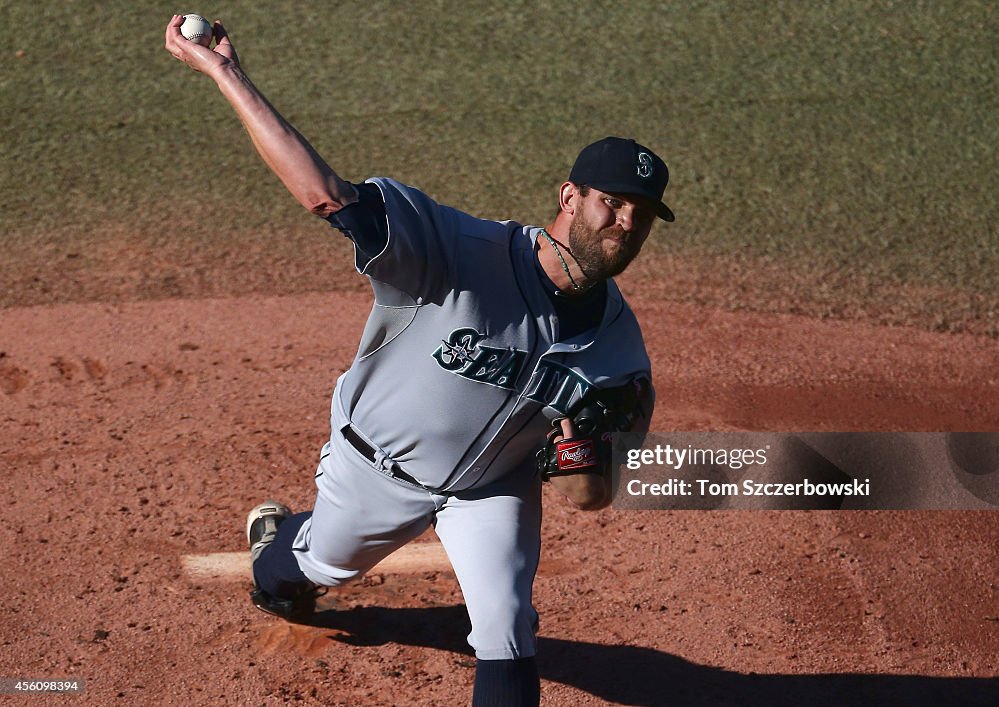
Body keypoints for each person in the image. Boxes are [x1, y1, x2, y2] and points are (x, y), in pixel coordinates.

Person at [165, 15, 670, 706]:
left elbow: (593, 495)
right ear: (569, 196)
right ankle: (277, 547)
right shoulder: (458, 250)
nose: (623, 225)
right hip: (376, 465)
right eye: (611, 203)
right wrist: (227, 73)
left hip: (490, 490)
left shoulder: (619, 349)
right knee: (309, 569)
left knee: (507, 625)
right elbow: (325, 193)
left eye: (640, 215)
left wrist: (583, 461)